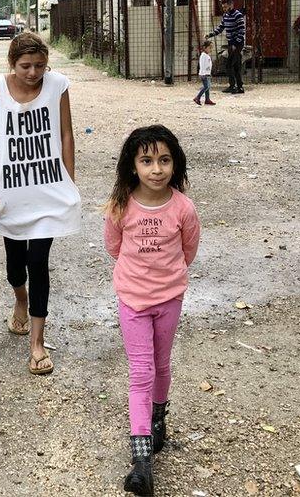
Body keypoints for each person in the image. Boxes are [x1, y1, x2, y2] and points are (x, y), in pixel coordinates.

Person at [102, 125, 201, 497]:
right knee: (140, 371)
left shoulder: (183, 208)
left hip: (169, 299)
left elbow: (188, 249)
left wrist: (166, 278)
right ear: (133, 166)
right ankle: (141, 461)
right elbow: (114, 246)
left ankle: (159, 417)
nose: (156, 169)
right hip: (132, 300)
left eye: (164, 160)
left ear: (175, 164)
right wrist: (139, 277)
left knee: (161, 364)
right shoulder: (121, 205)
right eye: (147, 161)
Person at [0, 32, 81, 375]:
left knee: (38, 261)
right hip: (12, 190)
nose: (33, 72)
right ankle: (20, 300)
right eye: (25, 66)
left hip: (48, 189)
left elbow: (66, 133)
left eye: (40, 65)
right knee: (15, 263)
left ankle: (37, 344)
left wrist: (68, 181)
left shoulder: (58, 85)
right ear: (12, 63)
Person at [206, 0, 245, 94]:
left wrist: (236, 44)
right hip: (231, 43)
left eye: (225, 7)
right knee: (236, 65)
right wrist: (210, 34)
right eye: (223, 7)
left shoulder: (238, 15)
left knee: (228, 65)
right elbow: (220, 28)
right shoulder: (225, 15)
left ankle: (233, 86)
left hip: (237, 43)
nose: (224, 9)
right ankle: (239, 87)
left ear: (231, 5)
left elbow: (241, 31)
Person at [193, 40, 215, 106]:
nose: (211, 49)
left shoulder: (206, 55)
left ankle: (207, 99)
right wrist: (203, 74)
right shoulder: (203, 55)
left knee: (208, 87)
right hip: (204, 74)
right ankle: (197, 97)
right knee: (206, 87)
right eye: (209, 47)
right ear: (205, 47)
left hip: (207, 73)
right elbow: (202, 65)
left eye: (211, 48)